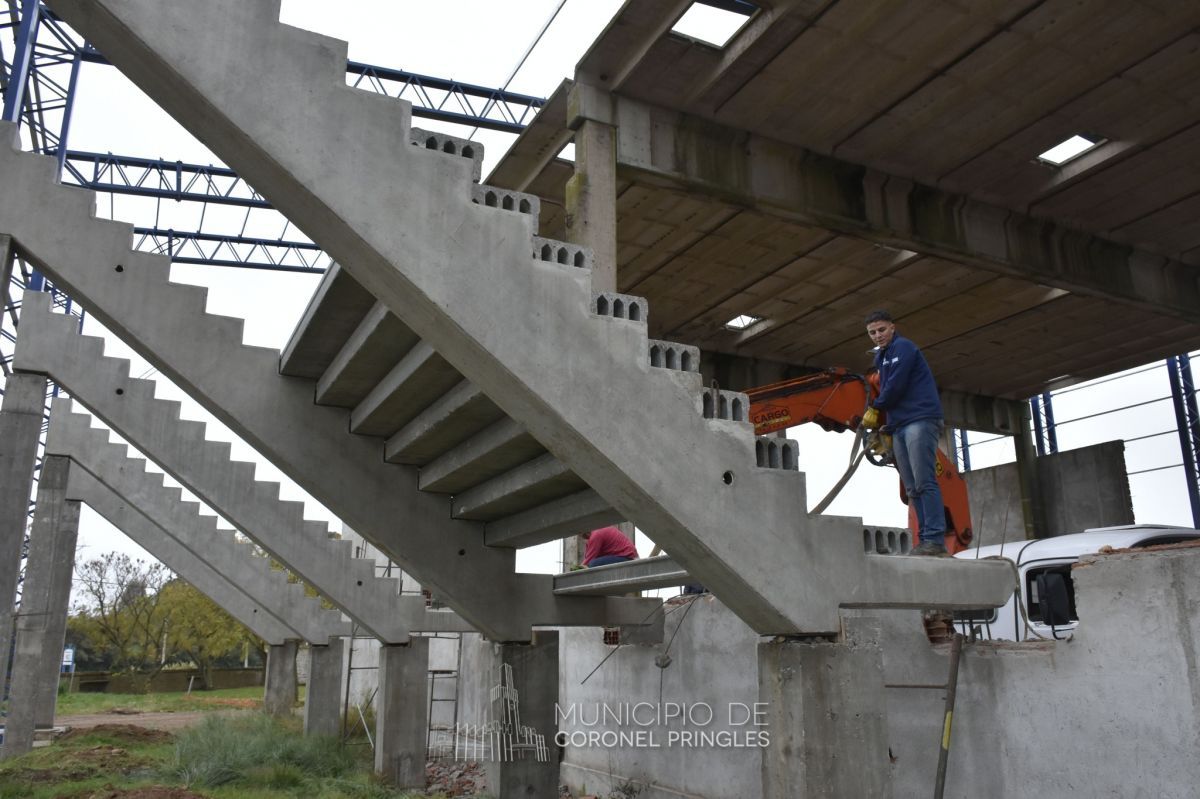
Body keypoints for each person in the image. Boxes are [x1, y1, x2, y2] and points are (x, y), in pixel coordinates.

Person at [862, 310, 948, 556]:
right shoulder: (882, 357)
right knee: (911, 487)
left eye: (881, 330)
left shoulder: (904, 348)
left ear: (892, 327)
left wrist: (875, 408)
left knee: (924, 481)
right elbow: (890, 389)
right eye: (872, 332)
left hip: (920, 419)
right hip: (900, 425)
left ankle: (934, 539)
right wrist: (887, 424)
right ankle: (925, 540)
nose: (878, 335)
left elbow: (895, 386)